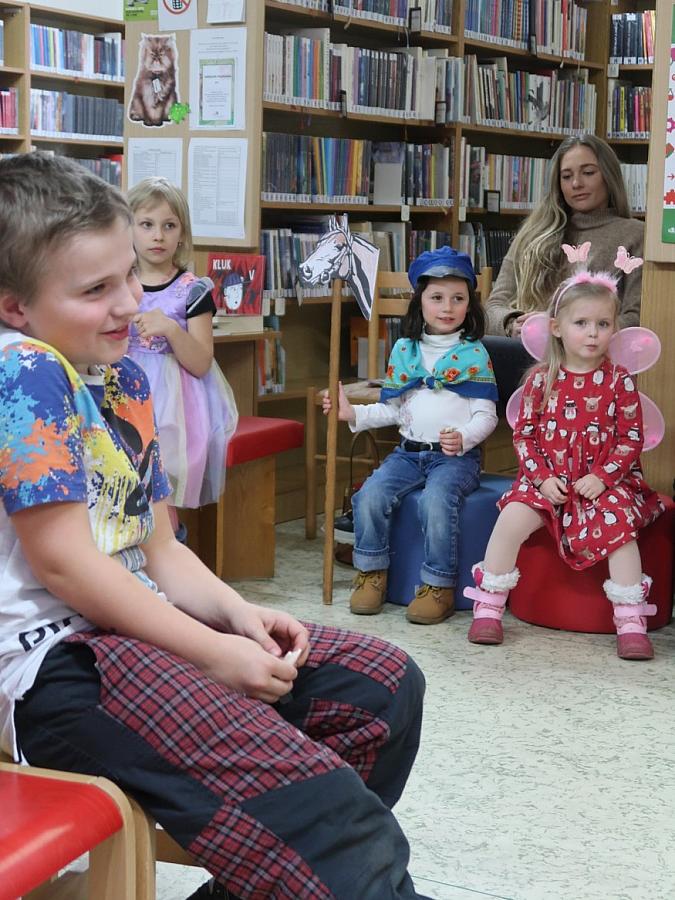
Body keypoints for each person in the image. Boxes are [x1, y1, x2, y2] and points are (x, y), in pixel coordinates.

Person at [0, 153, 430, 900]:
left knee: (382, 690)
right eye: (95, 290)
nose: (129, 302)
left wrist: (237, 615)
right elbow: (67, 566)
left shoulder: (121, 376)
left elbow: (157, 545)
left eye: (128, 276)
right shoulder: (23, 371)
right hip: (58, 664)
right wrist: (212, 652)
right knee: (333, 819)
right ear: (15, 308)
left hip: (135, 627)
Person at [465, 264, 664, 660]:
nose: (593, 333)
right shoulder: (541, 380)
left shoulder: (619, 380)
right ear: (557, 328)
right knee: (510, 520)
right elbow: (524, 436)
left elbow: (630, 438)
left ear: (614, 329)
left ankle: (630, 619)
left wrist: (602, 478)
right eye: (581, 323)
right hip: (547, 480)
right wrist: (540, 480)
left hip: (604, 482)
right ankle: (488, 605)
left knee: (620, 530)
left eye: (603, 324)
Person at [324, 247, 498, 625]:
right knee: (369, 495)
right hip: (407, 454)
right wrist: (353, 414)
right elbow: (392, 410)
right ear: (420, 301)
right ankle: (372, 572)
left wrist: (464, 437)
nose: (447, 307)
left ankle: (438, 585)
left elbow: (487, 416)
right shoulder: (405, 351)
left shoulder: (474, 354)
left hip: (454, 459)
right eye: (437, 298)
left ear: (470, 304)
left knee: (436, 501)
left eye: (458, 298)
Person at [127, 176, 237, 530]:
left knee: (160, 498)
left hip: (173, 407)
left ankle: (172, 548)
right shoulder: (118, 282)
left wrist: (171, 329)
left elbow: (202, 362)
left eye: (169, 226)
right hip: (122, 395)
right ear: (128, 229)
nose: (158, 235)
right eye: (147, 224)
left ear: (182, 234)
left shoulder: (192, 290)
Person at [485, 134, 644, 337]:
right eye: (566, 176)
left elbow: (636, 317)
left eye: (588, 172)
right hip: (524, 349)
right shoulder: (533, 233)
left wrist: (573, 329)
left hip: (594, 352)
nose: (576, 183)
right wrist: (512, 324)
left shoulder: (635, 234)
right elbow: (493, 308)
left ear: (609, 175)